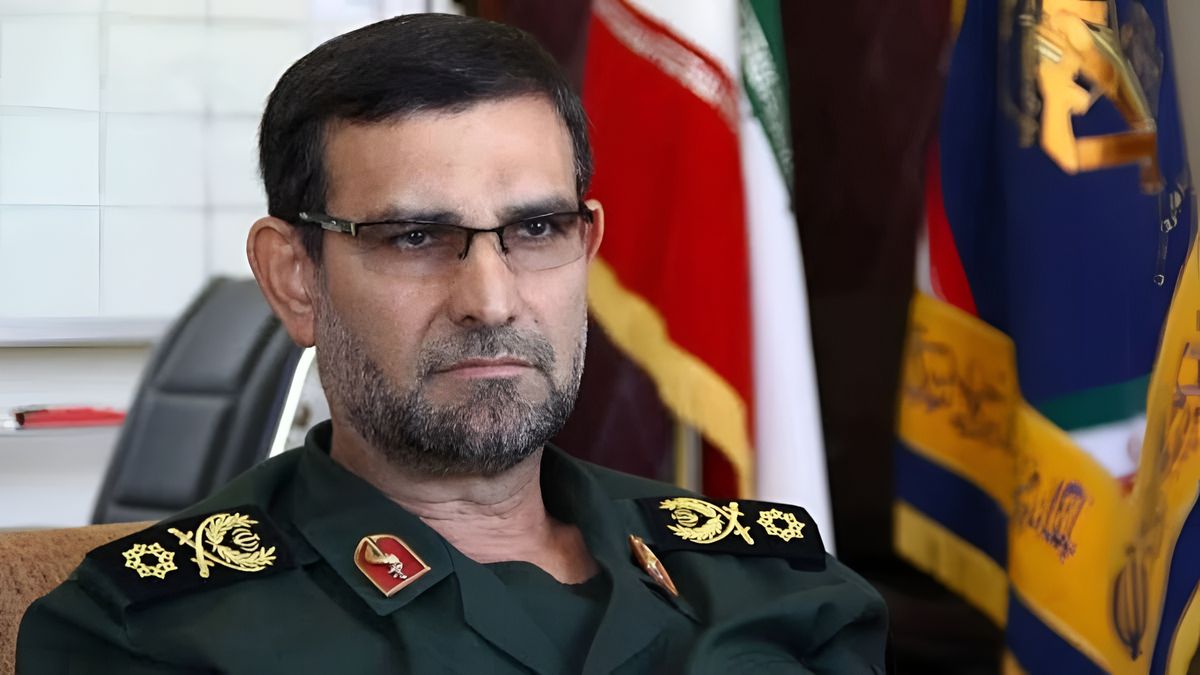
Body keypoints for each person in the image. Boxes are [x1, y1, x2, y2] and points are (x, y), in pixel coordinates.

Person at [16, 13, 887, 674]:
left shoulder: (774, 581)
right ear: (294, 278)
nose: (491, 301)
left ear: (586, 245)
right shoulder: (150, 633)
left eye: (536, 229)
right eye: (414, 237)